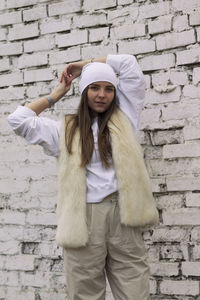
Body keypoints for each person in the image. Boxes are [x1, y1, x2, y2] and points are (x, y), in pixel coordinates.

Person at [8, 54, 158, 300]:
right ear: (84, 92)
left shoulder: (127, 117)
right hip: (84, 219)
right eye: (94, 87)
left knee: (135, 292)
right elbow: (18, 120)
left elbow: (129, 65)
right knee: (85, 294)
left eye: (109, 88)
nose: (102, 94)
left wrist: (86, 64)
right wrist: (56, 95)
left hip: (124, 215)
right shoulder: (63, 130)